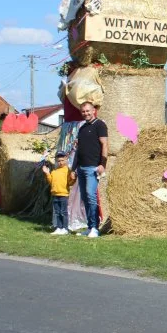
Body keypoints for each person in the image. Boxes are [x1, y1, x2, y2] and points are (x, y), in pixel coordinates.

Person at [72, 101, 108, 238]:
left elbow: (105, 145)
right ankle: (89, 226)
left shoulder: (100, 125)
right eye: (83, 111)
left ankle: (95, 228)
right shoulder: (82, 128)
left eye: (88, 111)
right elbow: (79, 149)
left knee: (91, 197)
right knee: (86, 199)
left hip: (93, 167)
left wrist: (103, 164)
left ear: (93, 111)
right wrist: (73, 168)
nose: (86, 113)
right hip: (81, 167)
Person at [41, 151, 76, 236]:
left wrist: (73, 178)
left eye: (62, 160)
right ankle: (59, 228)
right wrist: (47, 173)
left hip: (64, 195)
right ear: (56, 161)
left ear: (66, 160)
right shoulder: (54, 171)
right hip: (55, 195)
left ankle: (65, 228)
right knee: (57, 212)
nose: (60, 162)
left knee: (63, 212)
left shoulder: (68, 171)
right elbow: (51, 182)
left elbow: (70, 183)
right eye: (59, 160)